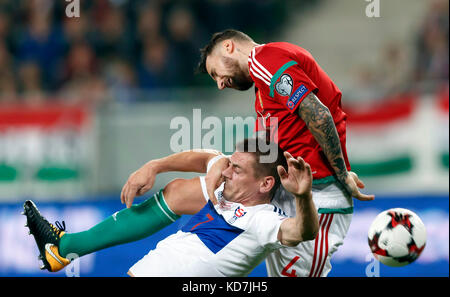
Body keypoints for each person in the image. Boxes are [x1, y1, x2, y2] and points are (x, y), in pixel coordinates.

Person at [190, 29, 375, 277]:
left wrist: (341, 174)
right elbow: (271, 150)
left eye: (216, 73)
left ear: (228, 47)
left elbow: (318, 114)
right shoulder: (264, 90)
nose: (220, 84)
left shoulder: (264, 58)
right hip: (290, 199)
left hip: (318, 200)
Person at [24, 139, 320, 276]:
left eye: (237, 169)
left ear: (266, 184)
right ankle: (63, 248)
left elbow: (300, 232)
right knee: (178, 190)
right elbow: (210, 158)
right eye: (230, 164)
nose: (227, 171)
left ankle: (63, 249)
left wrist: (304, 196)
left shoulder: (262, 218)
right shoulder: (226, 187)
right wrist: (155, 166)